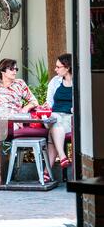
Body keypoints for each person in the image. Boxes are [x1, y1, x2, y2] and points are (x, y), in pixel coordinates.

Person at [0, 58, 38, 185]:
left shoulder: (20, 84)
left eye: (16, 69)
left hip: (12, 121)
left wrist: (25, 108)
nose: (15, 71)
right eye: (12, 69)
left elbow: (34, 101)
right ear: (3, 71)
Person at [43, 53, 73, 183]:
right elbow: (49, 102)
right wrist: (46, 106)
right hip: (54, 114)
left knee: (53, 132)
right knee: (55, 120)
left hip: (69, 117)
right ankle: (62, 156)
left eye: (58, 67)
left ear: (67, 67)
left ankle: (46, 171)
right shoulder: (55, 81)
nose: (55, 70)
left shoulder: (79, 82)